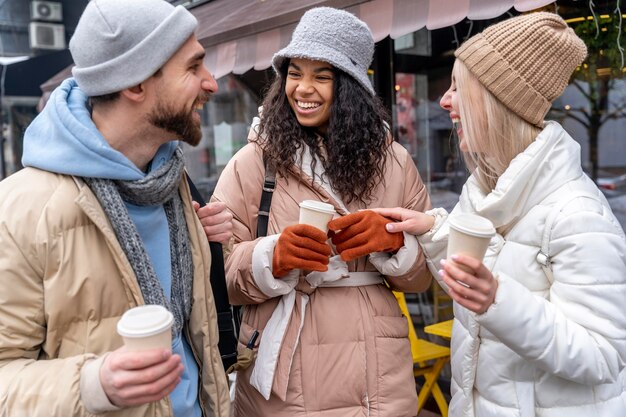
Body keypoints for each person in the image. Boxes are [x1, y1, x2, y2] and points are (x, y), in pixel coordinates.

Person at [373, 12, 626, 416]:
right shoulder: (484, 196)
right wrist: (434, 230)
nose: (444, 100)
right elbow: (490, 265)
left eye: (460, 87)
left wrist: (499, 301)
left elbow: (603, 355)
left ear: (498, 100)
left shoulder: (579, 215)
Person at [0, 0, 233, 416]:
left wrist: (220, 248)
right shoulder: (20, 211)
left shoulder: (174, 182)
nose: (212, 83)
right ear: (136, 85)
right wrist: (93, 384)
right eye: (193, 68)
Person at [202, 7, 432, 416]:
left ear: (350, 88)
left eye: (321, 76)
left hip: (375, 369)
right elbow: (214, 273)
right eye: (294, 73)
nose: (302, 89)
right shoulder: (253, 162)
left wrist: (397, 245)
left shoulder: (394, 161)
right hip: (286, 369)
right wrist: (270, 257)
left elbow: (422, 279)